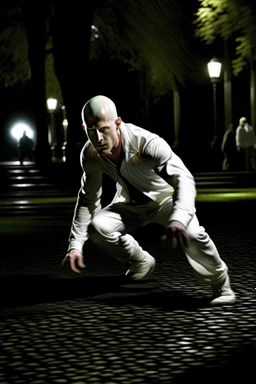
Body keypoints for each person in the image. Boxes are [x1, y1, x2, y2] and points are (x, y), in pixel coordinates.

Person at [62, 95, 236, 306]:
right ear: (84, 128)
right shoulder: (89, 154)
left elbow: (184, 179)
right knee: (98, 227)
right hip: (130, 205)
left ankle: (221, 283)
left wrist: (179, 219)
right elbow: (88, 198)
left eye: (104, 129)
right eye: (91, 131)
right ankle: (141, 261)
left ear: (118, 123)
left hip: (166, 202)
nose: (98, 138)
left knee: (192, 234)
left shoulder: (148, 143)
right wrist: (75, 245)